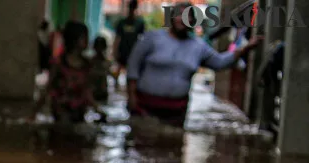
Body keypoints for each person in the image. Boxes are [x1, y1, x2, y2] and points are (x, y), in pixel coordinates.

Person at [126, 2, 262, 128]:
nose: (182, 19)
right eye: (179, 15)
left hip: (176, 111)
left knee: (172, 147)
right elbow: (133, 66)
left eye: (187, 16)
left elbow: (220, 62)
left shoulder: (198, 46)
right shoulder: (151, 38)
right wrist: (131, 98)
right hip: (144, 106)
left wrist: (246, 48)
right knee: (141, 147)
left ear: (192, 21)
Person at [48, 22, 106, 125]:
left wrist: (98, 109)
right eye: (84, 37)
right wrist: (32, 115)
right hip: (62, 111)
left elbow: (87, 91)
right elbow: (48, 88)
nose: (88, 41)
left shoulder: (87, 65)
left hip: (79, 111)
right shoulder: (59, 63)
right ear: (74, 40)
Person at [113, 0, 145, 84]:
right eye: (131, 8)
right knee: (118, 70)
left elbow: (142, 39)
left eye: (133, 8)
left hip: (133, 52)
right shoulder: (122, 22)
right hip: (122, 51)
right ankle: (116, 85)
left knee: (131, 73)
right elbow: (117, 38)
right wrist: (115, 52)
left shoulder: (140, 23)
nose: (132, 10)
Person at [90, 36, 110, 103]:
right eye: (98, 47)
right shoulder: (90, 62)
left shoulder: (106, 62)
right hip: (96, 92)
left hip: (100, 92)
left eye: (101, 47)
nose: (99, 49)